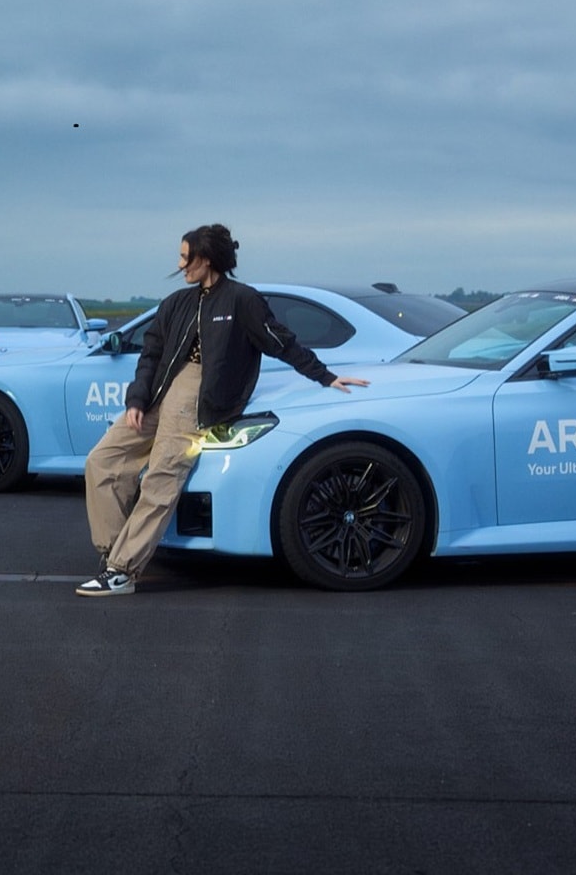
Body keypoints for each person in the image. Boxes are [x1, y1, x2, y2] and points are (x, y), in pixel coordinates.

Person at [77, 224, 370, 597]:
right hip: (158, 393)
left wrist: (325, 376)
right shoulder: (176, 303)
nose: (180, 264)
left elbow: (281, 341)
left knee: (161, 477)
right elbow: (151, 354)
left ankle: (123, 570)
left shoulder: (241, 300)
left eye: (186, 257)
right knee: (102, 461)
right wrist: (136, 399)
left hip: (200, 396)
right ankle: (112, 553)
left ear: (206, 259)